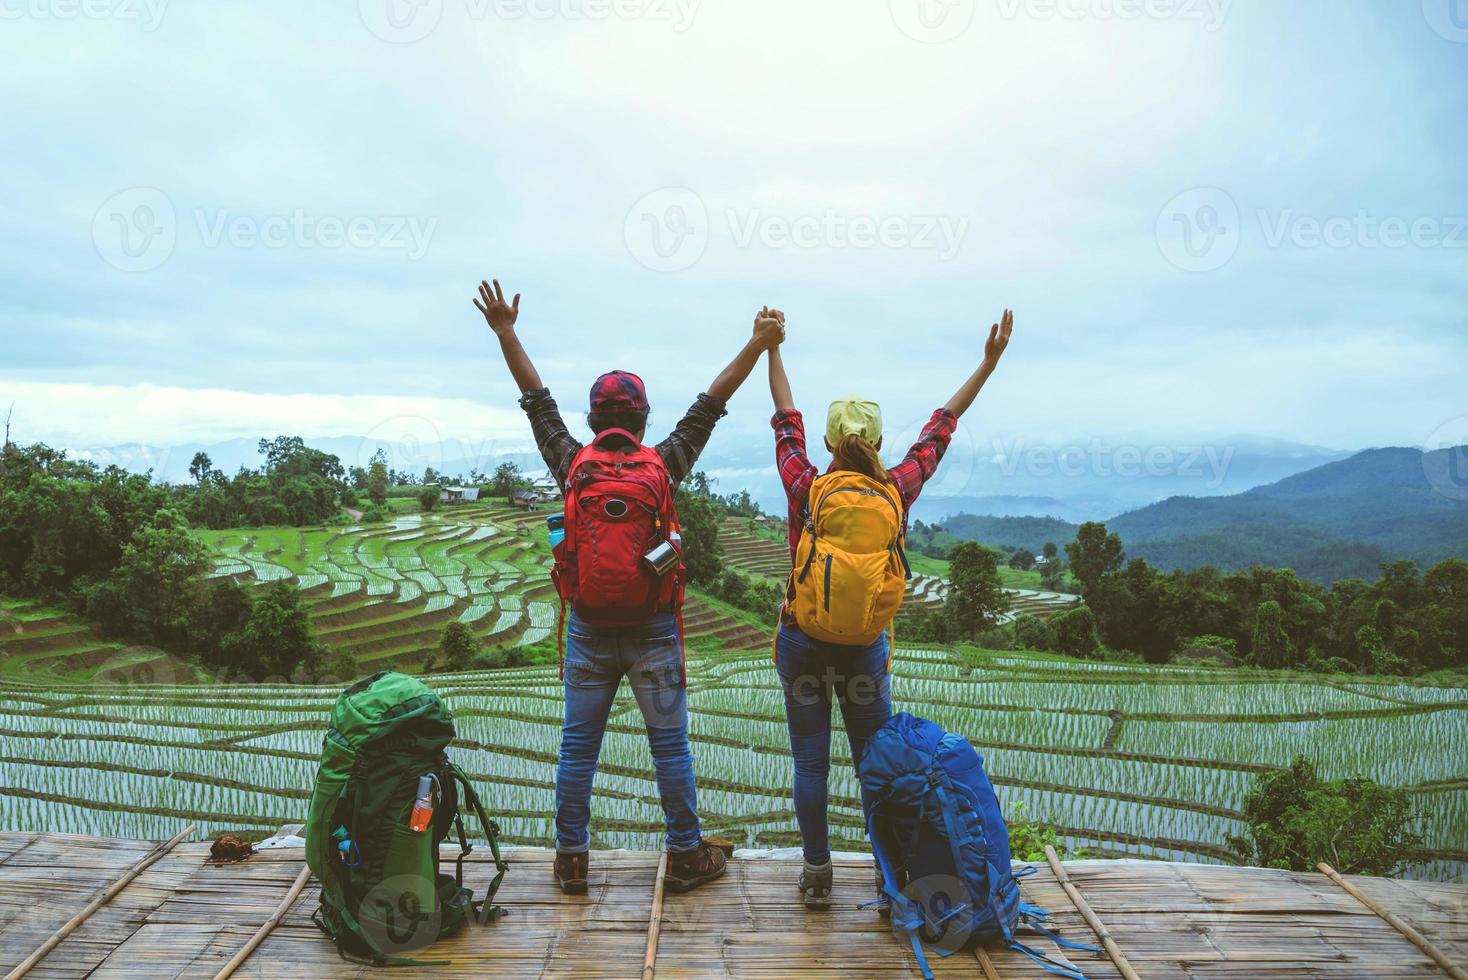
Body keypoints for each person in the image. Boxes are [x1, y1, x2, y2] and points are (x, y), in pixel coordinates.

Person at [475, 279, 785, 895]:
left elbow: (535, 398)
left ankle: (570, 862)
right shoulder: (662, 464)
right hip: (652, 629)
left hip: (589, 628)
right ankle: (686, 854)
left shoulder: (573, 462)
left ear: (593, 421)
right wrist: (757, 343)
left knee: (578, 750)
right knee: (669, 748)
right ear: (641, 419)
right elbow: (710, 404)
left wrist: (507, 331)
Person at [763, 305, 1013, 909]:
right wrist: (989, 360)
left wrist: (771, 348)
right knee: (877, 763)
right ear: (877, 441)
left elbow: (783, 420)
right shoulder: (897, 487)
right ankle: (888, 874)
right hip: (865, 650)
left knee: (810, 765)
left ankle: (817, 875)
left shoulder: (805, 481)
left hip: (801, 640)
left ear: (828, 441)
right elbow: (942, 426)